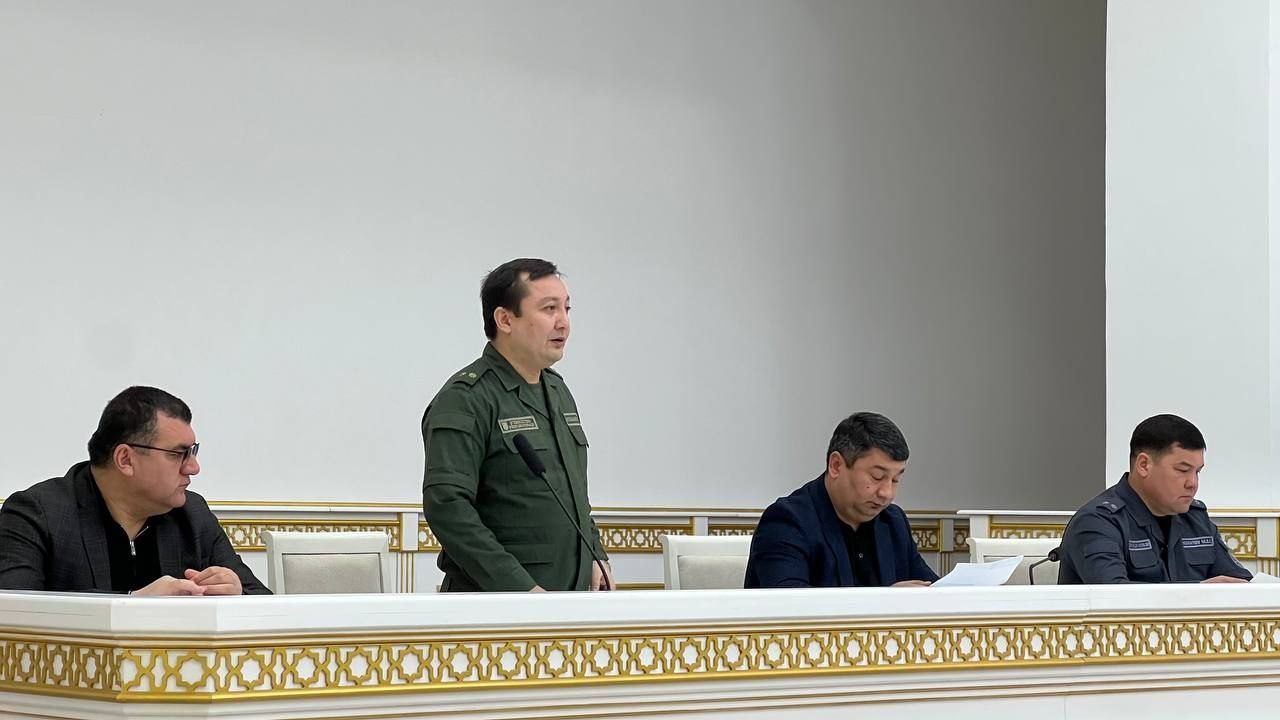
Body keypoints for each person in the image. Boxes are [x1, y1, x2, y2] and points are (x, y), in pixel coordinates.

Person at [422, 258, 610, 592]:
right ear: (505, 319)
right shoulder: (467, 398)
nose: (563, 323)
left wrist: (596, 555)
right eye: (549, 309)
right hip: (498, 606)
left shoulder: (558, 392)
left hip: (571, 600)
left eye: (566, 309)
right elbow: (448, 507)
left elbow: (573, 496)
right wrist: (519, 588)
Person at [0, 386, 269, 595]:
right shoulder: (38, 515)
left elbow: (266, 604)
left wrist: (237, 594)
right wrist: (132, 603)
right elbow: (13, 615)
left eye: (193, 452)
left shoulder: (192, 514)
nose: (193, 468)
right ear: (126, 459)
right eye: (179, 454)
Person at [745, 412, 937, 588]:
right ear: (836, 465)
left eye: (895, 480)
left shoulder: (894, 522)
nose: (887, 493)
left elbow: (935, 591)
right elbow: (792, 606)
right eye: (877, 477)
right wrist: (885, 601)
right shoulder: (787, 522)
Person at [1057, 414, 1250, 584]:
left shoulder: (1195, 518)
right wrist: (1196, 592)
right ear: (1144, 465)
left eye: (1197, 472)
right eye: (1182, 470)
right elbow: (1112, 595)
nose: (1193, 483)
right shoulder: (1097, 522)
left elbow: (1239, 582)